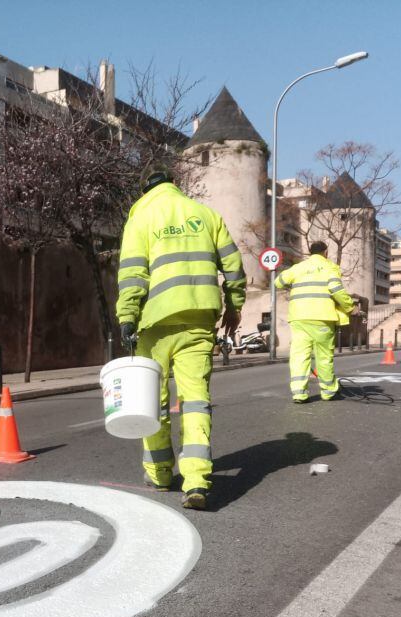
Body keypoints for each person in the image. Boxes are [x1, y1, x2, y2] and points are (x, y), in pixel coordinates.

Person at [116, 168, 245, 510]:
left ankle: (159, 473)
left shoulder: (141, 216)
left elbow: (132, 272)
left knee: (153, 403)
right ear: (175, 185)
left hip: (154, 322)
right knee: (195, 401)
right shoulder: (206, 215)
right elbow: (233, 267)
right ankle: (197, 480)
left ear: (145, 190)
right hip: (199, 319)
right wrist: (234, 307)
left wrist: (126, 316)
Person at [273, 241, 357, 403]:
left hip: (299, 317)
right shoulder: (329, 267)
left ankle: (299, 393)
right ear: (325, 252)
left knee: (299, 355)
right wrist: (350, 307)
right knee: (324, 356)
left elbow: (278, 282)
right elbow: (336, 290)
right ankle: (328, 392)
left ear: (310, 252)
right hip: (322, 318)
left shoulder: (298, 267)